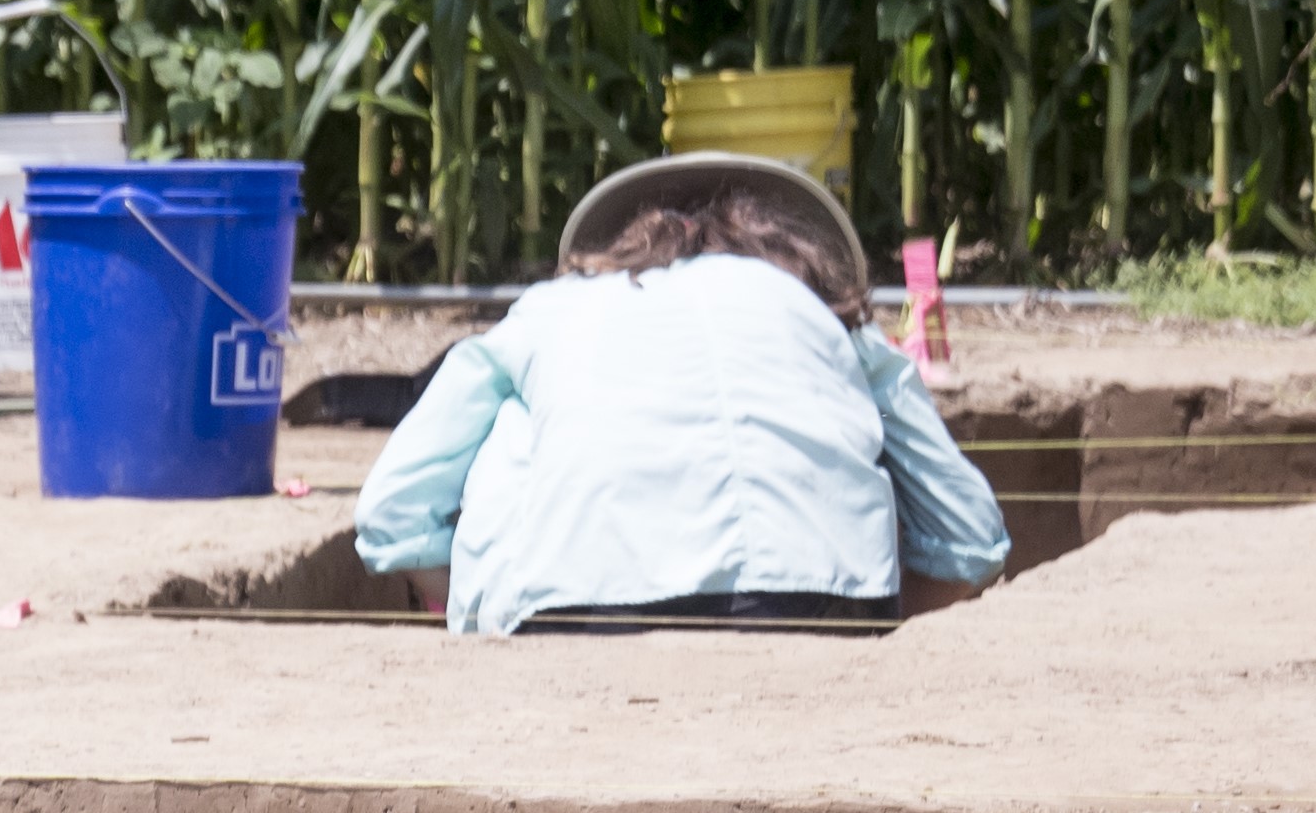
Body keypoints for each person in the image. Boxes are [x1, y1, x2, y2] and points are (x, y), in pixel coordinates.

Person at [351, 153, 1009, 636]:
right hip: (819, 614)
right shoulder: (832, 326)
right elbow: (970, 537)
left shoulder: (551, 313)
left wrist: (477, 615)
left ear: (625, 239)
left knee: (517, 438)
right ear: (788, 246)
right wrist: (876, 634)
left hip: (577, 618)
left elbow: (392, 512)